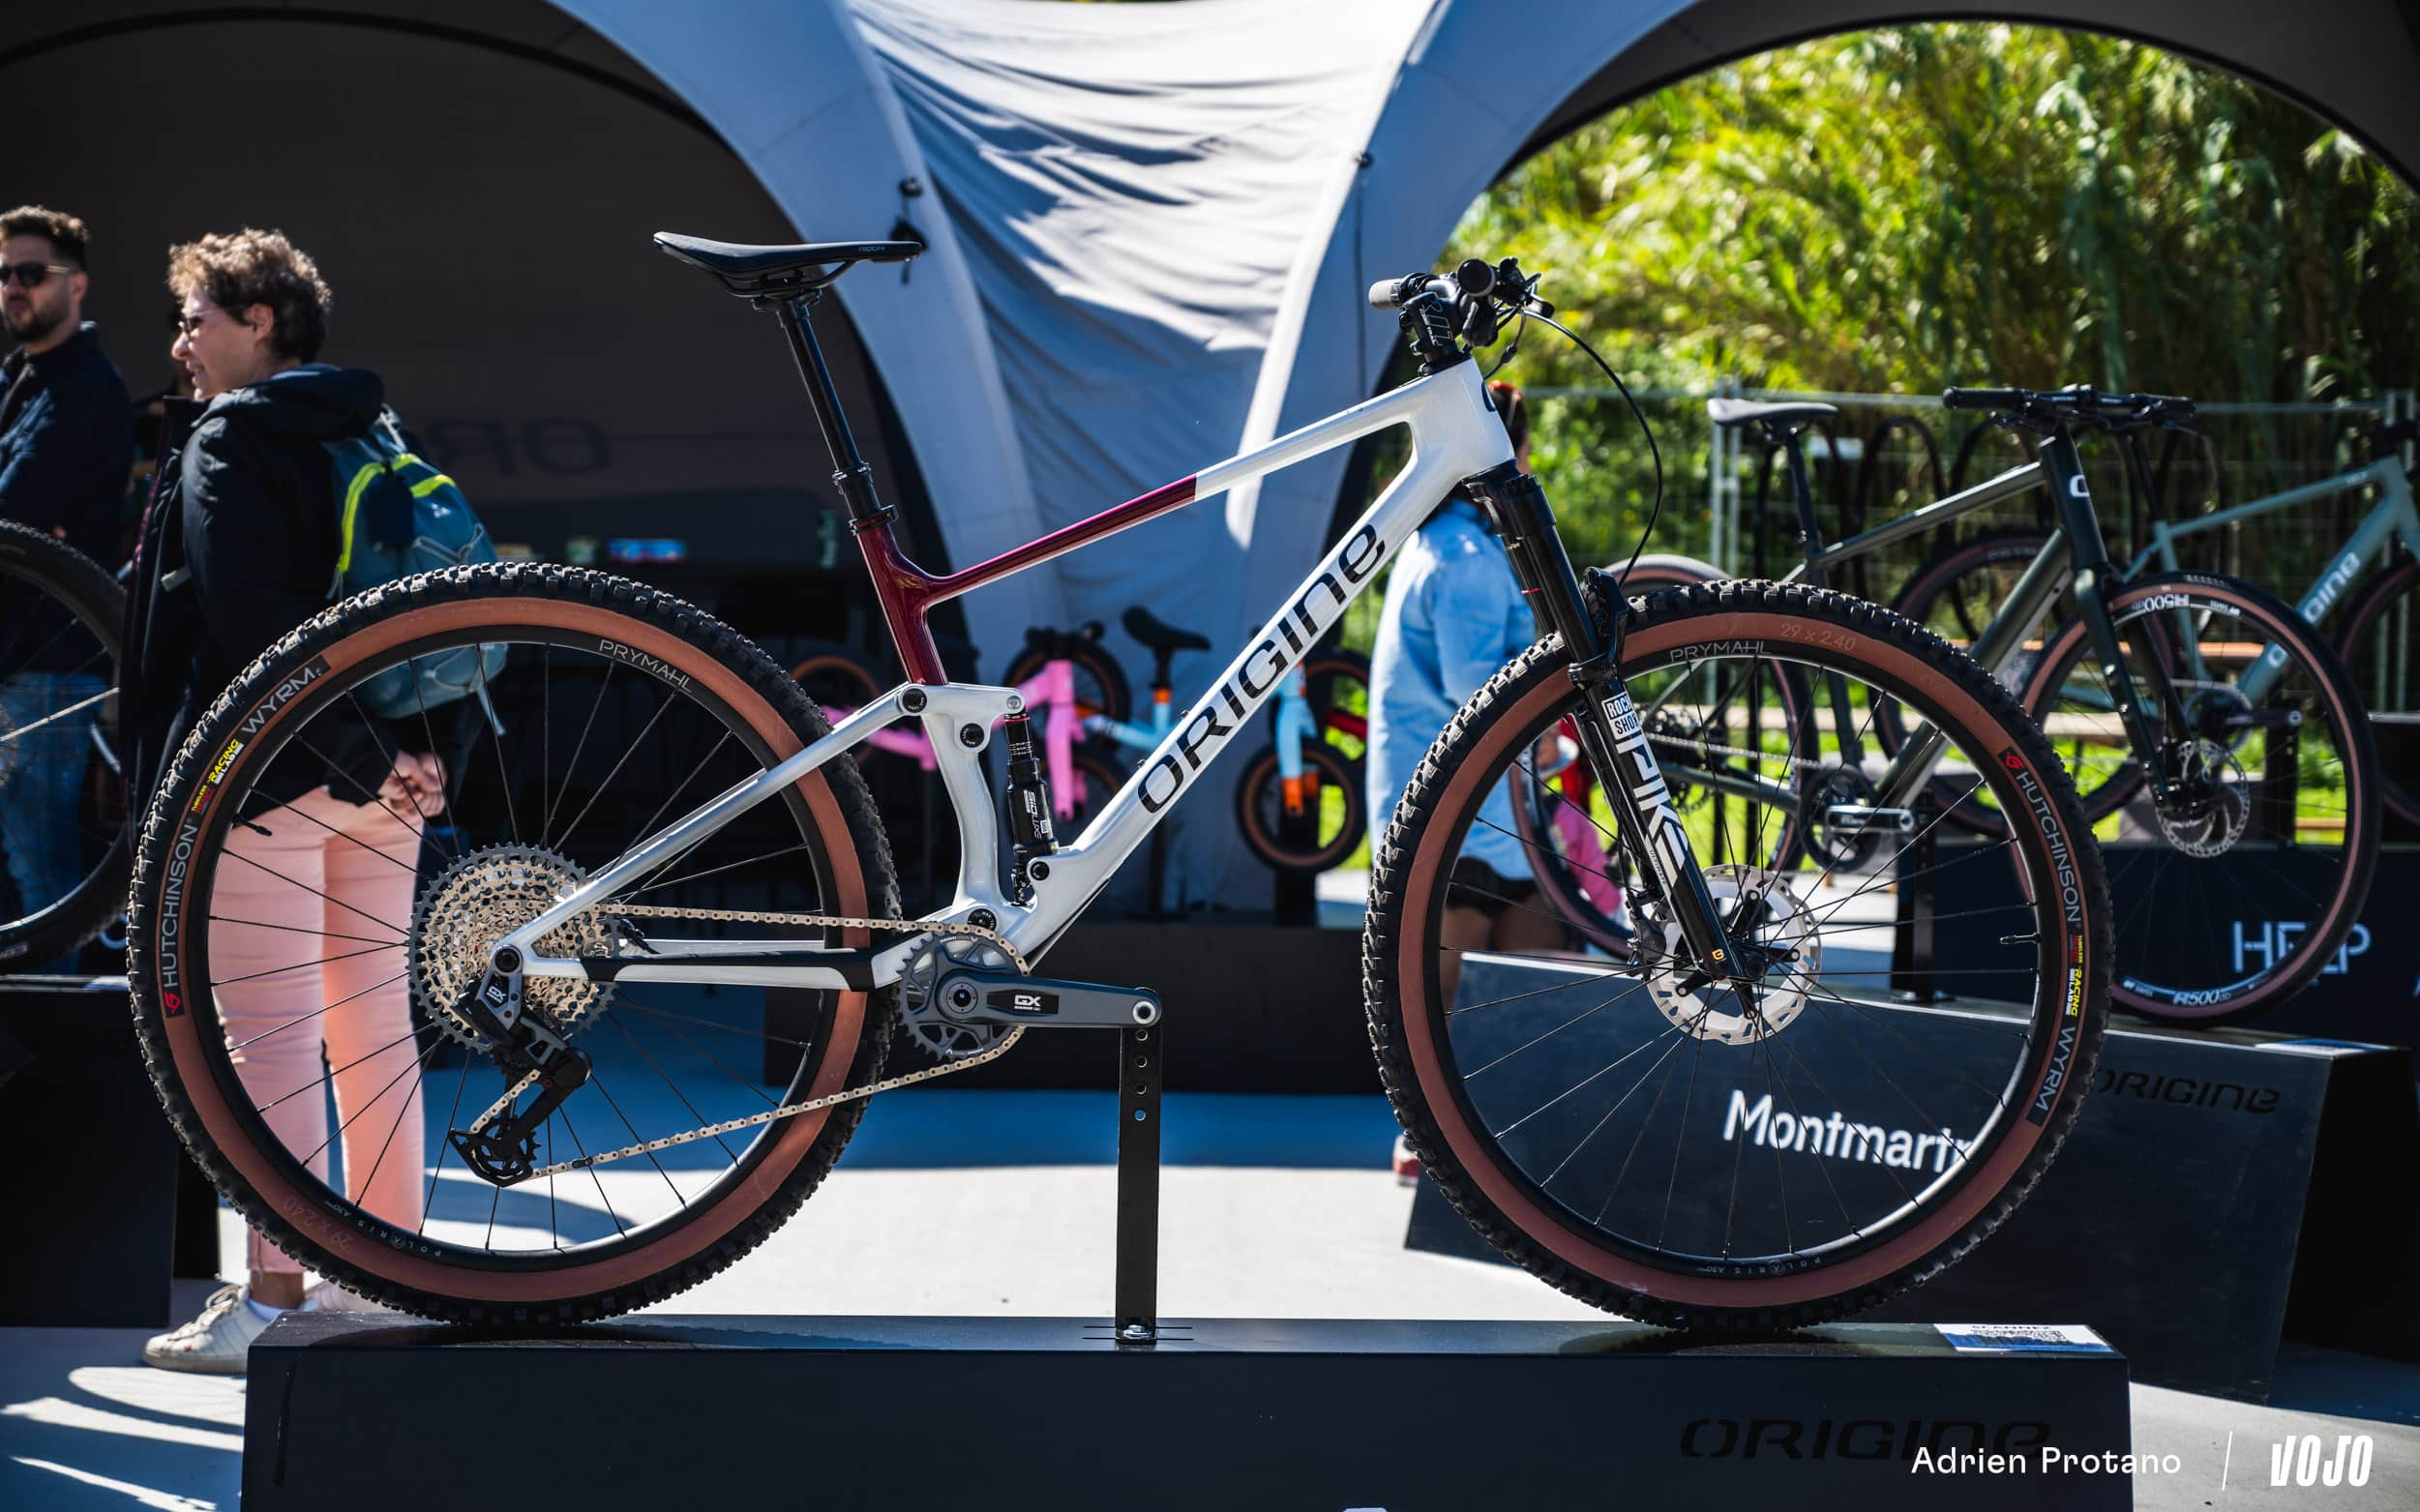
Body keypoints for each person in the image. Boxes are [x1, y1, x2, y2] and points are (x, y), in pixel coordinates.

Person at [132, 229, 446, 1373]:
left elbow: (248, 617)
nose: (181, 345)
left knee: (264, 1041)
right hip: (391, 774)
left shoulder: (232, 435)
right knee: (372, 1030)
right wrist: (410, 746)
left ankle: (273, 1297)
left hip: (266, 773)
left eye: (195, 320)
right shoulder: (371, 424)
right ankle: (390, 1281)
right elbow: (421, 594)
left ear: (259, 320)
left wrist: (343, 747)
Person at [1365, 381, 1566, 1182]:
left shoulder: (1436, 542)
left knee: (1519, 966)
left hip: (1467, 806)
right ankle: (1429, 1136)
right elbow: (1475, 687)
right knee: (1461, 983)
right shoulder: (1469, 560)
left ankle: (1480, 1139)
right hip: (1467, 810)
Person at [0, 206, 134, 962]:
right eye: (3, 274)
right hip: (17, 659)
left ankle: (53, 1031)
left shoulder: (86, 388)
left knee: (44, 878)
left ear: (75, 284)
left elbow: (14, 508)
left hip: (48, 666)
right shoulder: (18, 380)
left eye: (31, 272)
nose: (13, 287)